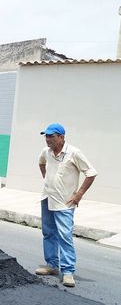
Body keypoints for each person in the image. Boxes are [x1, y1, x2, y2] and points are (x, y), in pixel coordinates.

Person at [36, 123, 96, 288]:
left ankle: (68, 271)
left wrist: (79, 194)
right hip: (47, 198)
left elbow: (91, 173)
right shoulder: (46, 152)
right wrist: (47, 178)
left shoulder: (74, 153)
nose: (48, 140)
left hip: (65, 203)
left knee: (65, 236)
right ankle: (52, 265)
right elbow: (41, 163)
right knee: (48, 233)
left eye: (51, 137)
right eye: (46, 136)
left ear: (61, 137)